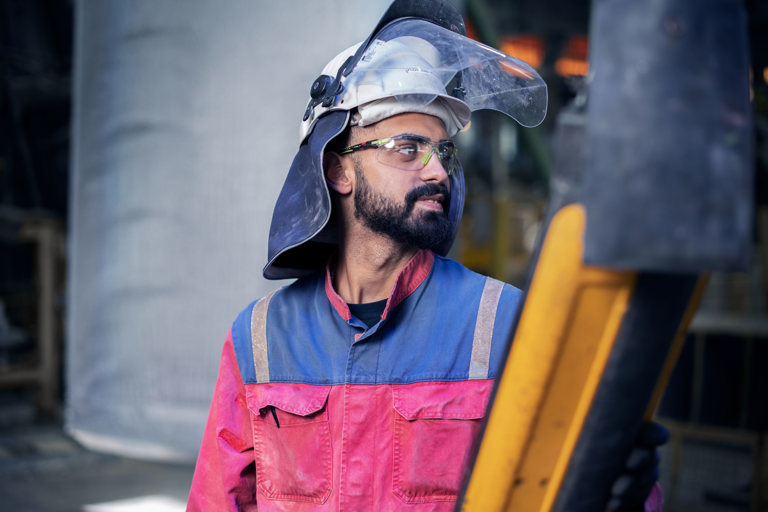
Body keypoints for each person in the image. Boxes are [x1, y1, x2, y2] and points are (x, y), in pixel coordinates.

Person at [187, 1, 664, 510]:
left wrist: (618, 494)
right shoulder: (259, 339)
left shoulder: (507, 326)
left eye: (443, 152)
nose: (438, 171)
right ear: (338, 170)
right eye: (408, 148)